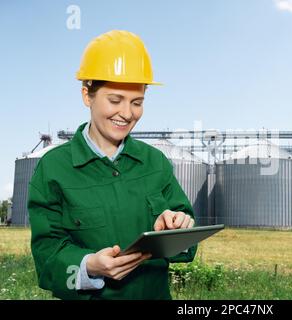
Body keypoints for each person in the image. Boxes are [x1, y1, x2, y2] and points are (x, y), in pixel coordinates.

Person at [28, 30, 197, 300]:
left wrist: (179, 227)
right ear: (87, 95)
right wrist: (89, 267)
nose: (127, 114)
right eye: (115, 100)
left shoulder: (155, 162)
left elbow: (186, 240)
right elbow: (47, 257)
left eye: (137, 102)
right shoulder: (54, 169)